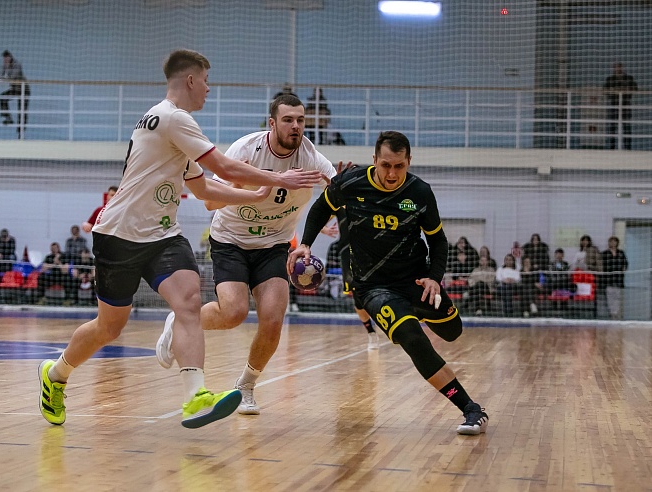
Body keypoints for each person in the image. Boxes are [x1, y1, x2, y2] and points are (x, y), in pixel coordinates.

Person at [37, 49, 321, 429]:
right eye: (205, 80)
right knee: (109, 327)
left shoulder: (174, 127)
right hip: (120, 235)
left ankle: (195, 395)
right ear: (190, 80)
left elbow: (203, 188)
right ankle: (56, 374)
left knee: (189, 302)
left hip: (163, 235)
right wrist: (278, 179)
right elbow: (222, 167)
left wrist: (254, 197)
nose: (208, 88)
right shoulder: (173, 118)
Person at [287, 131, 489, 435]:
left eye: (399, 166)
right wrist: (305, 244)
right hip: (373, 287)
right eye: (385, 165)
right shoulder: (350, 183)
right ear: (374, 160)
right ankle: (471, 409)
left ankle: (414, 310)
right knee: (412, 339)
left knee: (453, 332)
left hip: (415, 279)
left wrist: (434, 279)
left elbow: (438, 240)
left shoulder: (419, 192)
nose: (392, 174)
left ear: (409, 161)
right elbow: (320, 208)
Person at [155, 93, 337, 417]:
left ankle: (246, 385)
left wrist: (324, 220)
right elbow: (210, 202)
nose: (296, 126)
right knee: (234, 313)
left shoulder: (312, 159)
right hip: (231, 240)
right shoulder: (245, 150)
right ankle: (180, 320)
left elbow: (338, 195)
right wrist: (244, 188)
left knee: (273, 320)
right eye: (288, 120)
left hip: (275, 244)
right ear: (272, 123)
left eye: (300, 120)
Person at [327, 209, 380, 350]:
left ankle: (384, 320)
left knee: (377, 290)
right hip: (348, 254)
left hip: (371, 251)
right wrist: (324, 229)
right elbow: (318, 218)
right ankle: (371, 332)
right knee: (358, 299)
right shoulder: (338, 203)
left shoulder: (368, 201)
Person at [604, 62, 637, 150]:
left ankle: (628, 148)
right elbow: (606, 90)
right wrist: (617, 90)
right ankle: (612, 148)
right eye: (615, 67)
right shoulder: (610, 79)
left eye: (619, 67)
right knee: (613, 127)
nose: (617, 69)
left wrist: (621, 90)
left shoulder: (629, 78)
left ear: (622, 68)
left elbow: (635, 88)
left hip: (626, 105)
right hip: (614, 105)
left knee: (627, 127)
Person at [0, 50, 30, 138]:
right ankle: (7, 117)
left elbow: (13, 77)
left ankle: (21, 132)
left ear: (10, 57)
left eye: (7, 58)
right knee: (2, 97)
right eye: (4, 58)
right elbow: (0, 76)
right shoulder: (4, 65)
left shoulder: (17, 64)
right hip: (15, 89)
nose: (5, 60)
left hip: (24, 89)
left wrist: (6, 70)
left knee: (22, 110)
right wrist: (3, 70)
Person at [602, 236, 628, 320]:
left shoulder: (621, 253)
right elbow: (602, 266)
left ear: (617, 243)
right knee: (610, 298)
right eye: (611, 241)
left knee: (618, 297)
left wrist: (623, 269)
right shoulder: (605, 253)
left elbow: (625, 263)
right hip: (608, 279)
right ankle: (612, 314)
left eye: (614, 241)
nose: (613, 243)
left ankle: (617, 314)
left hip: (618, 279)